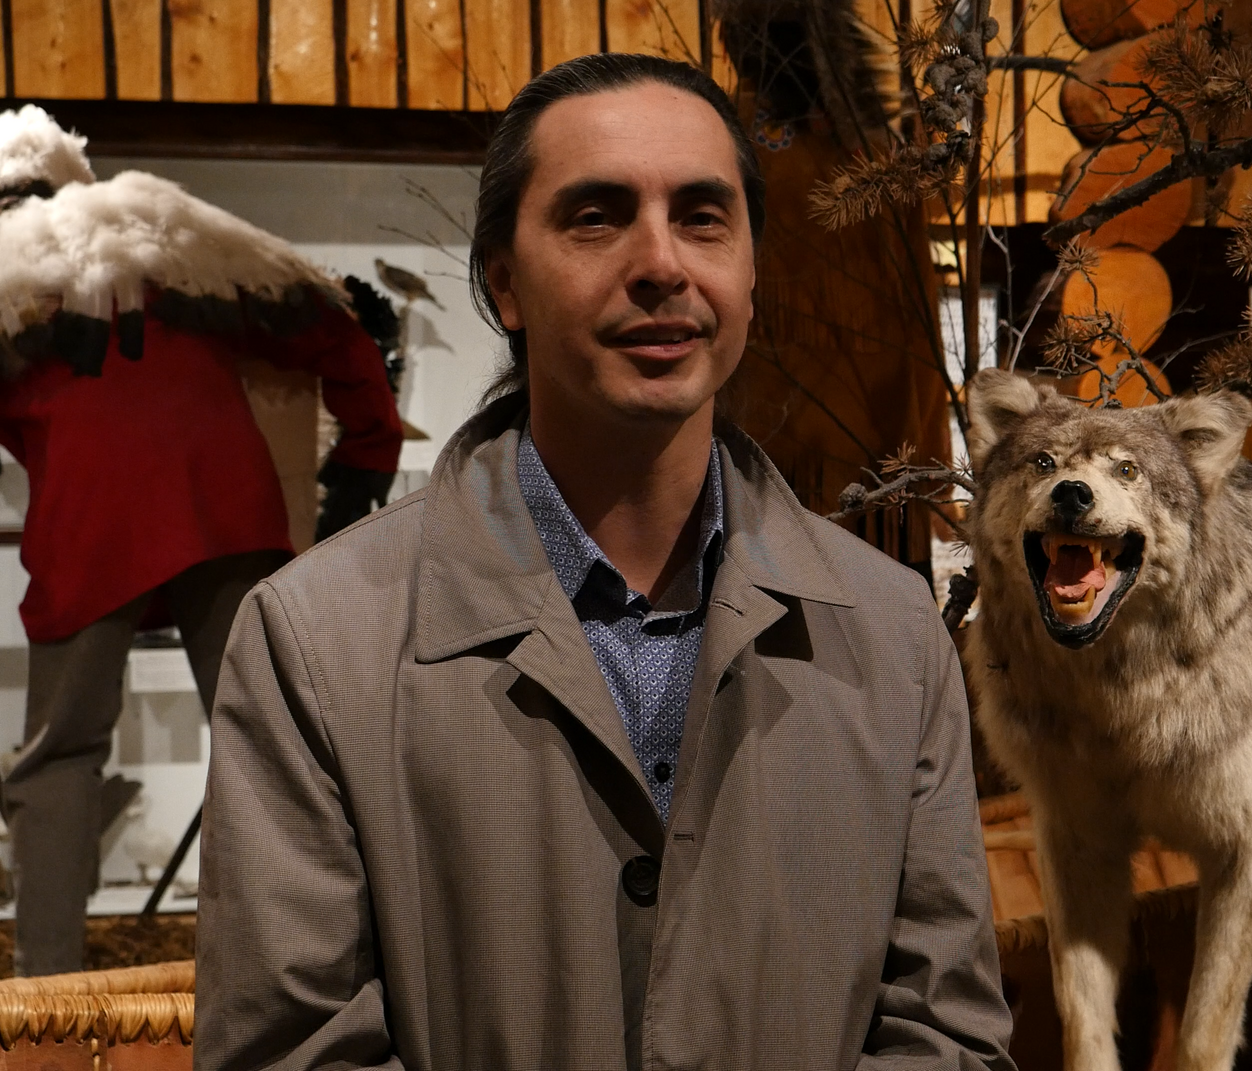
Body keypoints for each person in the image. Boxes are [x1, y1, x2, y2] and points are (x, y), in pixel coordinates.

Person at [195, 54, 1014, 1070]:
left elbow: (946, 1032)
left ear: (752, 275)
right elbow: (289, 1049)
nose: (661, 263)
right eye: (596, 215)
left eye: (703, 216)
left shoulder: (891, 635)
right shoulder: (317, 641)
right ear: (505, 283)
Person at [0, 106, 403, 976]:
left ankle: (48, 991)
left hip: (86, 527)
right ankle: (297, 965)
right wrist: (367, 453)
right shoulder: (162, 231)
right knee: (272, 746)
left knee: (60, 758)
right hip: (226, 509)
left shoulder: (8, 277)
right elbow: (328, 322)